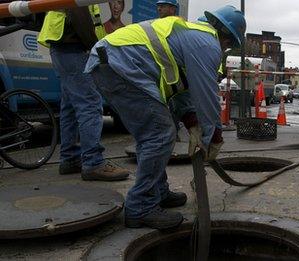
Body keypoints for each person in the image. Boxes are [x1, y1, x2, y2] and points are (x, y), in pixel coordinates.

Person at [84, 6, 246, 229]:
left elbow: (182, 89)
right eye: (229, 45)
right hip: (119, 64)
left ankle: (157, 192)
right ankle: (140, 206)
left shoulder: (188, 37)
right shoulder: (206, 43)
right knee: (159, 134)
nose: (226, 49)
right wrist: (214, 135)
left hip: (113, 63)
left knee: (155, 132)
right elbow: (206, 94)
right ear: (225, 38)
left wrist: (191, 121)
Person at [37, 6, 130, 181]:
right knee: (90, 104)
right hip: (73, 48)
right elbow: (79, 14)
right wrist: (94, 47)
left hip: (64, 48)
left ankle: (70, 158)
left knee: (70, 107)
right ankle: (93, 163)